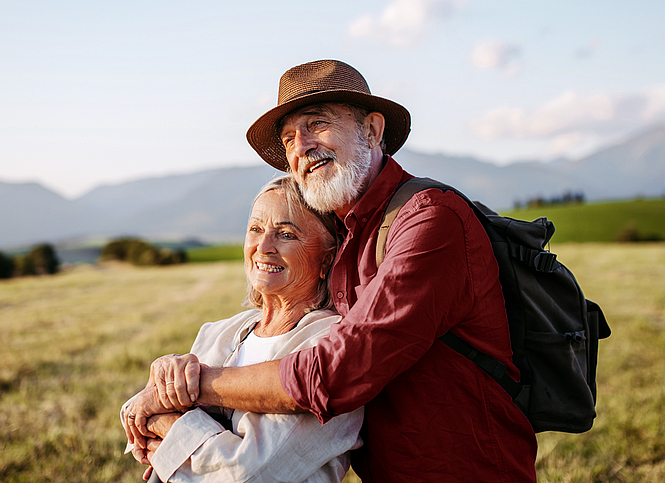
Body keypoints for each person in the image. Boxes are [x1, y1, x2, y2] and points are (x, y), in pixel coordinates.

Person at [128, 59, 538, 482]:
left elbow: (340, 371)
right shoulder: (340, 235)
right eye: (289, 138)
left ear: (373, 131)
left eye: (317, 123)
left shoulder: (430, 219)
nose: (301, 147)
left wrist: (190, 386)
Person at [121, 174, 363, 483]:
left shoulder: (331, 345)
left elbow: (247, 473)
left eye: (286, 234)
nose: (263, 246)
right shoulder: (218, 332)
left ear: (327, 261)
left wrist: (167, 425)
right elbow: (135, 416)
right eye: (256, 229)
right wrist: (160, 385)